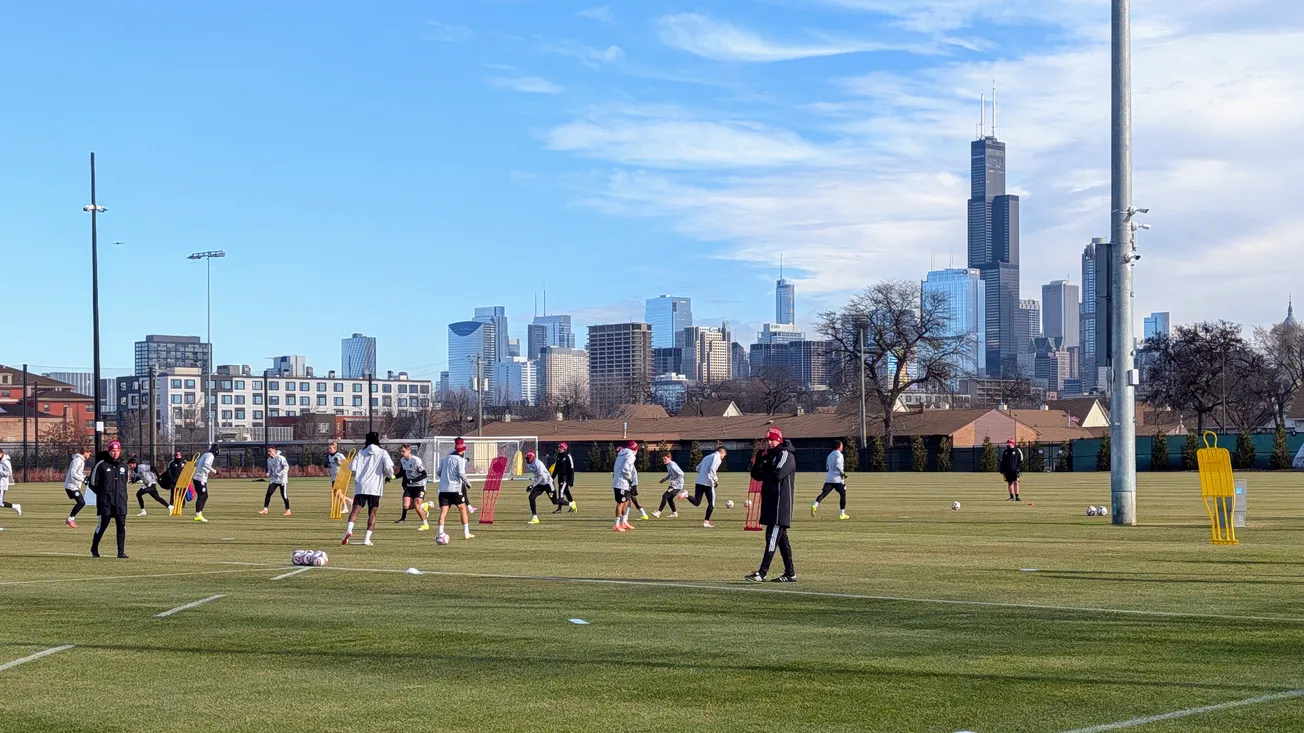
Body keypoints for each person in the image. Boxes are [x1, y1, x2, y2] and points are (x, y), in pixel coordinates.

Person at [746, 427, 796, 583]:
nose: (770, 442)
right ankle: (790, 573)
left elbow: (777, 474)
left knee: (771, 538)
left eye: (772, 439)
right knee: (782, 541)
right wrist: (760, 460)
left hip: (780, 505)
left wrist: (767, 464)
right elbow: (756, 475)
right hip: (771, 503)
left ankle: (762, 572)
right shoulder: (771, 456)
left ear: (779, 440)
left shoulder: (785, 455)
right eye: (768, 440)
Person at [342, 432, 394, 546]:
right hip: (375, 487)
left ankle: (349, 530)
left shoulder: (361, 452)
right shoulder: (382, 452)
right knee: (372, 513)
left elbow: (352, 467)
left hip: (361, 486)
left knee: (355, 510)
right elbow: (389, 468)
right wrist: (390, 475)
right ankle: (367, 539)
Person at [88, 440, 129, 558]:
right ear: (109, 451)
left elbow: (125, 482)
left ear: (120, 451)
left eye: (117, 451)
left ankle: (120, 552)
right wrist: (102, 494)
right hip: (105, 502)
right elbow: (92, 483)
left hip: (120, 501)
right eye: (112, 451)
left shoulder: (124, 466)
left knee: (121, 525)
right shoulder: (101, 465)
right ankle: (94, 548)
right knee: (103, 525)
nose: (115, 453)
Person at [436, 438, 475, 540]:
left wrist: (446, 475)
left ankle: (440, 534)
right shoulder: (460, 460)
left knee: (443, 512)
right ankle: (466, 533)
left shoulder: (444, 460)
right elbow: (461, 474)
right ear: (461, 450)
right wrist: (468, 483)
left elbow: (438, 473)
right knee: (463, 509)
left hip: (443, 490)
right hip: (455, 489)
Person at [683, 446, 726, 528]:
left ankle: (686, 495)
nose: (723, 457)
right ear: (722, 452)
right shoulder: (717, 457)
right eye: (724, 455)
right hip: (708, 484)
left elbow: (697, 468)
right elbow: (712, 469)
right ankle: (706, 522)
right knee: (711, 504)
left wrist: (703, 474)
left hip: (699, 482)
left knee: (697, 502)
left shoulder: (707, 457)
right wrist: (716, 480)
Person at [812, 440, 849, 520]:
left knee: (824, 493)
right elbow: (838, 465)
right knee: (843, 495)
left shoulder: (830, 455)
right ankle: (842, 514)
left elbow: (827, 467)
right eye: (842, 446)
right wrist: (843, 473)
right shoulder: (839, 455)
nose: (842, 447)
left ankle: (815, 505)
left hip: (829, 478)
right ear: (839, 446)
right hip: (838, 479)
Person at [398, 444, 431, 531]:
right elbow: (402, 473)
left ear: (409, 451)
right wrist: (391, 476)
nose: (402, 453)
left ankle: (425, 524)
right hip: (409, 487)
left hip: (420, 486)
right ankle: (424, 506)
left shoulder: (416, 460)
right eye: (401, 451)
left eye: (404, 451)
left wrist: (413, 480)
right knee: (406, 506)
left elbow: (424, 475)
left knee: (416, 506)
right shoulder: (402, 460)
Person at [524, 450, 557, 525]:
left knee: (555, 501)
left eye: (528, 459)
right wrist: (533, 485)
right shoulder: (529, 464)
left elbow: (541, 476)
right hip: (540, 484)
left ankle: (571, 504)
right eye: (526, 459)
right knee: (531, 497)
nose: (527, 460)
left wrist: (532, 485)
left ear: (532, 458)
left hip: (548, 483)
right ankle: (535, 518)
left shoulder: (538, 463)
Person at [611, 441, 637, 532]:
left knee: (626, 501)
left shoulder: (621, 454)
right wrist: (629, 478)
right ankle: (617, 524)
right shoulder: (631, 455)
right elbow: (626, 468)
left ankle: (624, 522)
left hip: (620, 481)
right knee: (621, 503)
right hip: (622, 482)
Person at [64, 447, 92, 527]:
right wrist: (83, 479)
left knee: (81, 502)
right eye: (89, 452)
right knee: (81, 502)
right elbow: (73, 473)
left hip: (73, 485)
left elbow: (77, 472)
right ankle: (70, 519)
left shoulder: (80, 460)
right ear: (85, 452)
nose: (89, 454)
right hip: (71, 486)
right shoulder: (78, 460)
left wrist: (84, 477)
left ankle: (70, 519)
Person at [260, 445, 291, 516]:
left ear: (274, 451)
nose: (268, 452)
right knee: (268, 493)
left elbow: (286, 467)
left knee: (284, 495)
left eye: (270, 451)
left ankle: (288, 510)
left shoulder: (281, 458)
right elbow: (270, 469)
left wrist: (281, 473)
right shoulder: (269, 460)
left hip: (282, 480)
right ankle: (265, 509)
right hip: (274, 480)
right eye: (268, 451)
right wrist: (268, 473)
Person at [191, 444, 218, 523]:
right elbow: (206, 464)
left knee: (204, 496)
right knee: (202, 495)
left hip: (197, 477)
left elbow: (195, 463)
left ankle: (199, 514)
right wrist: (215, 471)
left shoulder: (205, 454)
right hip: (200, 478)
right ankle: (198, 514)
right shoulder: (210, 455)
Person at [653, 453, 685, 518]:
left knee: (665, 496)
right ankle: (675, 513)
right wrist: (664, 479)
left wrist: (675, 482)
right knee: (669, 499)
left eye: (665, 459)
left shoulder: (672, 465)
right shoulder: (668, 465)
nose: (664, 460)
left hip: (677, 485)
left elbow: (681, 474)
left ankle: (658, 513)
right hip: (673, 484)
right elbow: (670, 475)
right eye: (663, 459)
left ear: (669, 458)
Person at [326, 441, 353, 515]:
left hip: (340, 476)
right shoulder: (329, 456)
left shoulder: (339, 455)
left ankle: (345, 508)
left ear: (334, 448)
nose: (329, 449)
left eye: (330, 448)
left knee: (338, 492)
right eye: (328, 448)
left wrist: (339, 462)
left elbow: (347, 464)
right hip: (334, 477)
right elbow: (332, 465)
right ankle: (350, 500)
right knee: (336, 493)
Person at [550, 443, 577, 513]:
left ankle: (559, 509)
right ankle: (573, 506)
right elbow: (556, 469)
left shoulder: (568, 456)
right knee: (566, 492)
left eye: (561, 448)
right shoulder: (558, 457)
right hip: (560, 478)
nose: (559, 449)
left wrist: (571, 480)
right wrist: (551, 478)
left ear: (564, 449)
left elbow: (572, 469)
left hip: (565, 478)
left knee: (560, 492)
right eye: (559, 447)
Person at [0, 448, 17, 516]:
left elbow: (8, 473)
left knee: (0, 504)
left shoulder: (5, 462)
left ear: (1, 453)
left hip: (2, 485)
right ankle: (15, 506)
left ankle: (15, 506)